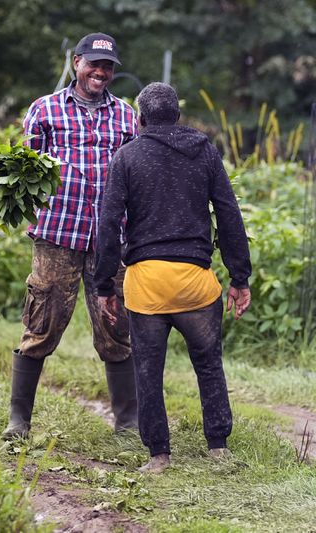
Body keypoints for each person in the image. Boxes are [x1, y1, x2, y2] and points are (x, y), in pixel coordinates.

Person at [94, 82, 252, 473]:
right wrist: (239, 278)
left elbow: (109, 223)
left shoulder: (127, 157)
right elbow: (229, 213)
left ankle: (159, 456)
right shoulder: (205, 151)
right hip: (196, 282)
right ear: (177, 115)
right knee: (209, 364)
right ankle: (218, 448)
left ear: (140, 118)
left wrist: (103, 286)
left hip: (147, 284)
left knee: (148, 369)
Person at [2, 32, 139, 440]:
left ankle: (128, 425)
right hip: (58, 234)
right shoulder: (44, 110)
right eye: (93, 64)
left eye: (108, 66)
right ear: (76, 62)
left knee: (116, 330)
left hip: (111, 239)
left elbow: (136, 173)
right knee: (41, 325)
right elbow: (24, 170)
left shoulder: (127, 117)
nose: (101, 72)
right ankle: (18, 422)